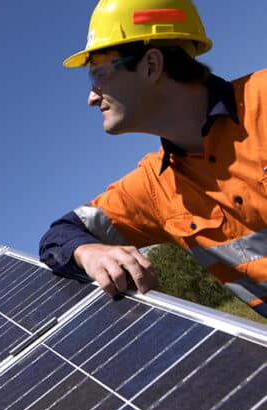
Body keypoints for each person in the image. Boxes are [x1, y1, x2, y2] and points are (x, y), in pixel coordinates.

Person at [39, 0, 267, 318]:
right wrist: (89, 252)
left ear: (151, 65)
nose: (92, 97)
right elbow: (60, 234)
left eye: (100, 75)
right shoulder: (154, 188)